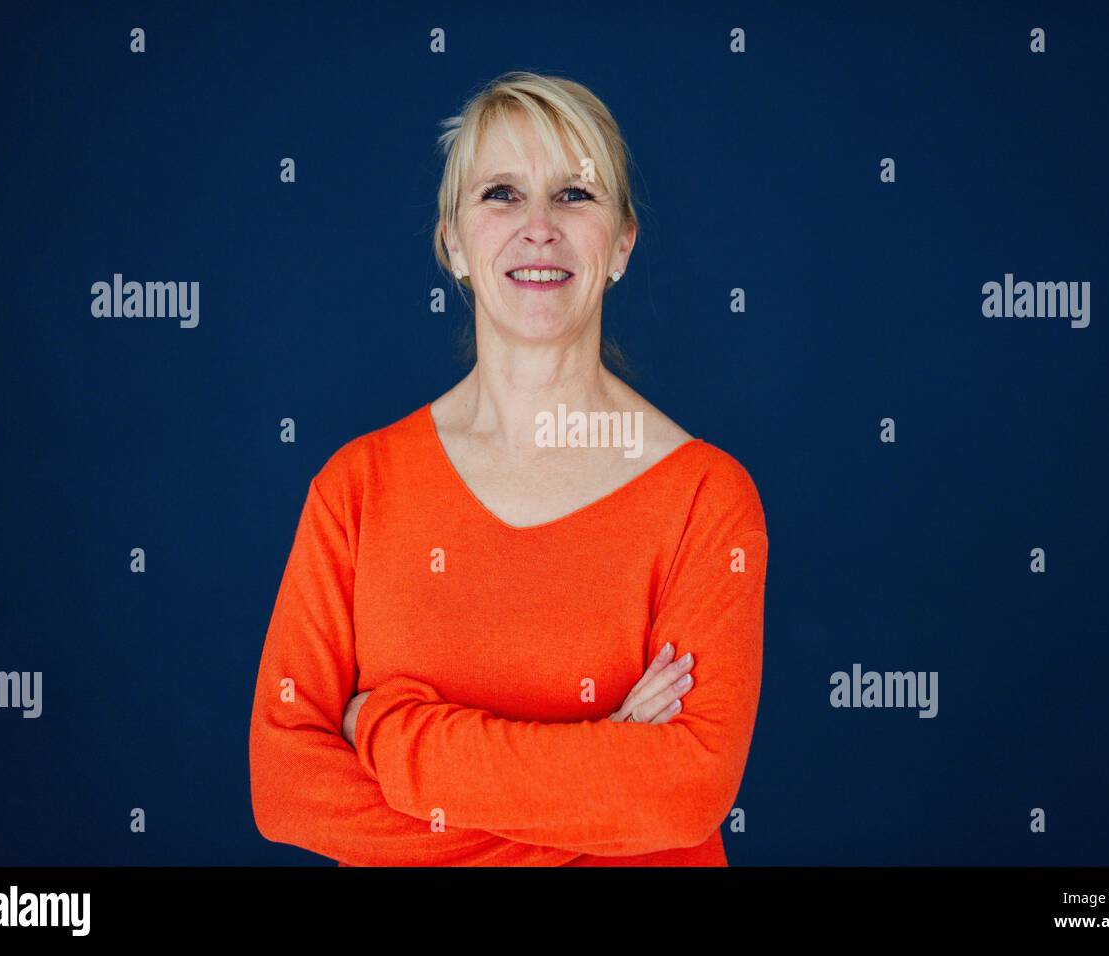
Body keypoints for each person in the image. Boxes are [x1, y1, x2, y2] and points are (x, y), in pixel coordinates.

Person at [248, 70, 768, 865]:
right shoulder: (357, 486)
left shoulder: (706, 498)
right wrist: (595, 783)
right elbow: (287, 789)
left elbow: (684, 795)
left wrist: (387, 732)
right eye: (500, 194)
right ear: (452, 241)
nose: (538, 228)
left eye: (575, 195)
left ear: (622, 241)